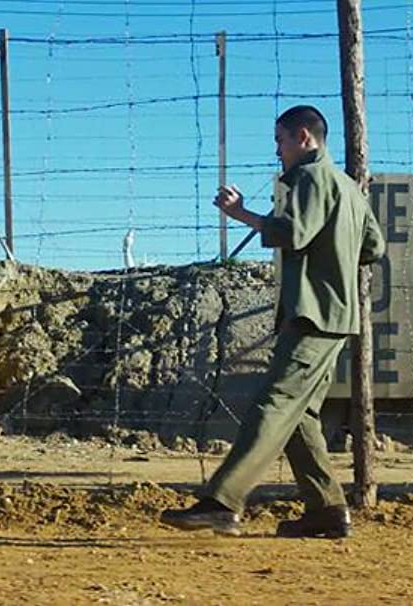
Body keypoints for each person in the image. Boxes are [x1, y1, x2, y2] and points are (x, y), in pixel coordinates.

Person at [160, 105, 386, 538]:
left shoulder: (307, 177)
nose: (277, 151)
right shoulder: (349, 188)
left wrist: (240, 213)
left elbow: (291, 232)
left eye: (280, 140)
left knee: (275, 404)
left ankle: (222, 501)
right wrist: (334, 256)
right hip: (338, 316)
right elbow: (372, 246)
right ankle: (326, 510)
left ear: (303, 137)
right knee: (298, 415)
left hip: (311, 312)